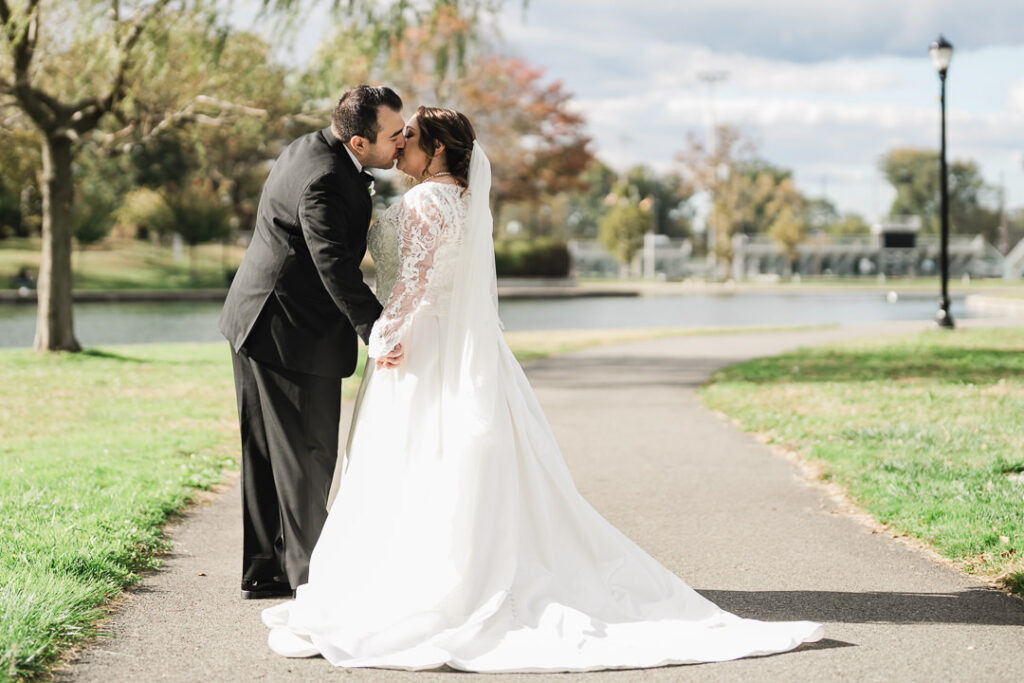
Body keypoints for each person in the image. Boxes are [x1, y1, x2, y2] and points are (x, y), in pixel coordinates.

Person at [262, 106, 824, 671]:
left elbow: (415, 282)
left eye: (409, 138)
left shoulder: (426, 202)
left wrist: (382, 334)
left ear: (435, 152)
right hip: (458, 348)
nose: (400, 146)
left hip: (422, 348)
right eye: (397, 135)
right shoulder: (462, 200)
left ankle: (427, 582)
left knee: (415, 461)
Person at [219, 85, 406, 599]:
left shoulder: (312, 147)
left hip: (255, 318)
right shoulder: (324, 178)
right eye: (394, 135)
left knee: (266, 451)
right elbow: (334, 266)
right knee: (307, 452)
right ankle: (312, 582)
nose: (403, 140)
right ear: (359, 143)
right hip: (286, 330)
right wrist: (378, 330)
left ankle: (269, 570)